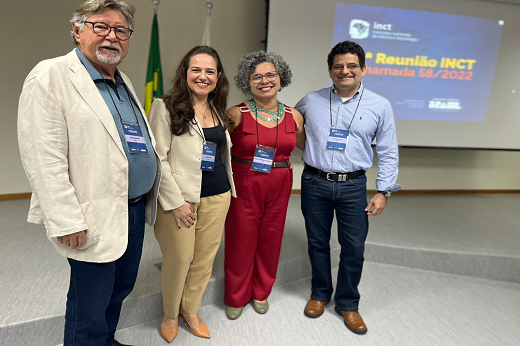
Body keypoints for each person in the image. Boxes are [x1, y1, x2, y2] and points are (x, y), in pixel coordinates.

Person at [17, 1, 161, 345]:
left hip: (132, 208)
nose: (112, 36)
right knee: (90, 302)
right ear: (77, 29)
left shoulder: (121, 80)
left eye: (121, 30)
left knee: (119, 289)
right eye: (102, 26)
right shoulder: (50, 75)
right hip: (90, 212)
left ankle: (106, 340)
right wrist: (66, 220)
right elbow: (42, 157)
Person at [295, 40, 400, 334]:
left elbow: (389, 150)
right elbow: (292, 127)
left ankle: (348, 303)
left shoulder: (380, 105)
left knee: (353, 247)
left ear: (363, 69)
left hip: (354, 186)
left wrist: (383, 191)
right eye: (338, 66)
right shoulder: (310, 100)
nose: (345, 71)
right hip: (314, 181)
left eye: (352, 65)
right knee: (317, 242)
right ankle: (319, 294)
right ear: (330, 71)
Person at [148, 45, 235, 342]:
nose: (203, 76)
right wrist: (176, 202)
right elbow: (158, 158)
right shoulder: (165, 106)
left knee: (204, 259)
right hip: (180, 200)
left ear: (218, 76)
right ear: (185, 73)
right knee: (179, 258)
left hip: (218, 194)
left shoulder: (218, 109)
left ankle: (191, 309)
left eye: (210, 71)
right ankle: (170, 314)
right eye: (196, 69)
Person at [224, 51, 305, 320]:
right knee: (241, 239)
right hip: (245, 181)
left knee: (271, 238)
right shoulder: (235, 114)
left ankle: (261, 292)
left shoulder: (295, 116)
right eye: (256, 76)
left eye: (271, 74)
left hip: (281, 182)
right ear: (248, 82)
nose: (264, 81)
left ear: (282, 79)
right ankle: (236, 296)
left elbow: (303, 147)